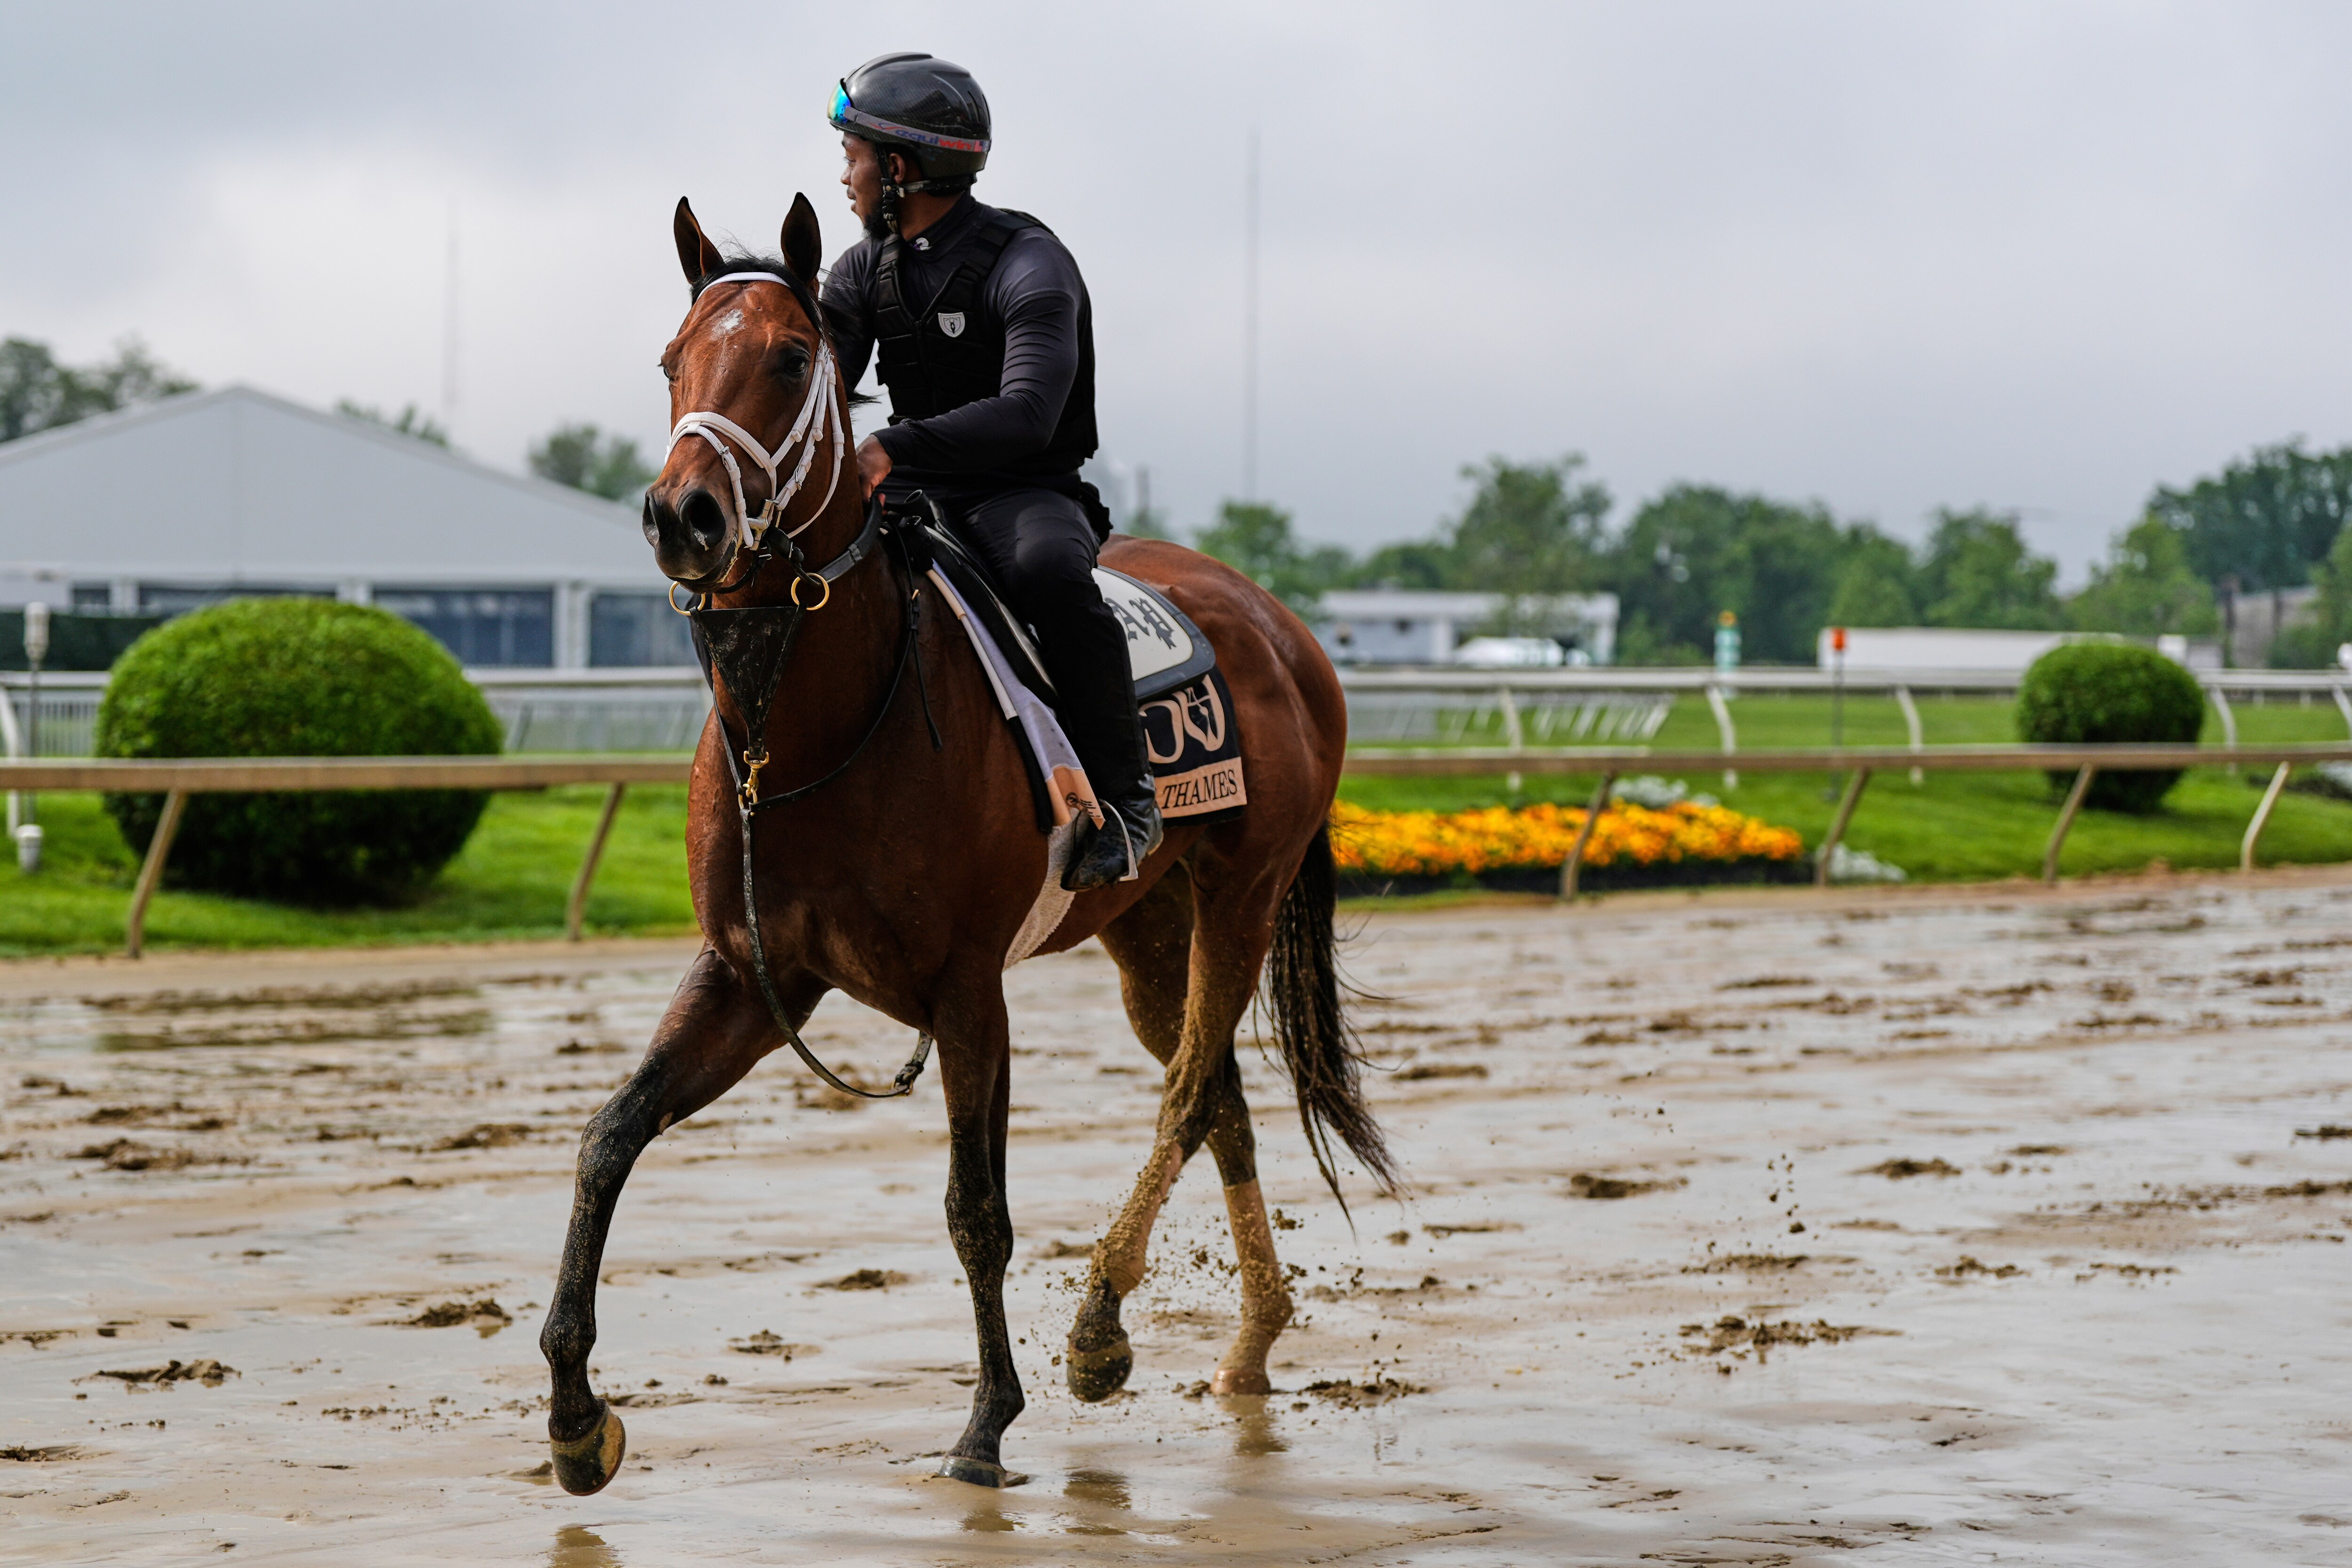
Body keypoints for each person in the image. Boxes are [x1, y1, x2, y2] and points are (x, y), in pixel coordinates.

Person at [819, 52, 1162, 893]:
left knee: (1050, 573)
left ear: (899, 169)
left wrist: (892, 446)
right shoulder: (861, 270)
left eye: (853, 157)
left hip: (1025, 492)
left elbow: (1029, 414)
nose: (844, 176)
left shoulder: (1030, 261)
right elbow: (816, 392)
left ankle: (1128, 803)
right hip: (914, 492)